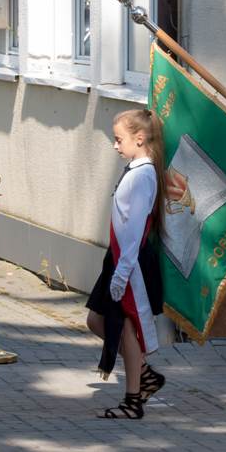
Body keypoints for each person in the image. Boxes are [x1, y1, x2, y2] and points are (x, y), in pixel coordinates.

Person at [86, 108, 166, 419]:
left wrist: (122, 273)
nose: (115, 145)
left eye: (119, 139)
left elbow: (133, 230)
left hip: (129, 261)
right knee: (97, 321)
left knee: (125, 329)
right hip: (119, 258)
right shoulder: (136, 170)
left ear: (140, 138)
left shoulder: (143, 175)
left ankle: (133, 399)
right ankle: (145, 374)